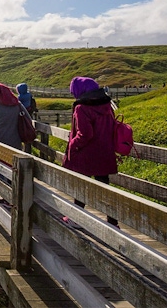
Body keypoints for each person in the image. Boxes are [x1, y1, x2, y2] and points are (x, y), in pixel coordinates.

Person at [62, 76, 119, 228]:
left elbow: (85, 134)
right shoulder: (107, 105)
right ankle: (113, 223)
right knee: (104, 189)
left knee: (81, 187)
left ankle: (76, 218)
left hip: (87, 154)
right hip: (105, 152)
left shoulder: (82, 108)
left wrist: (72, 145)